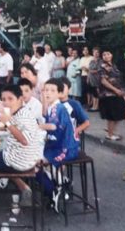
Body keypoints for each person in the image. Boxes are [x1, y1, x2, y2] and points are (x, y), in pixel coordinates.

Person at [0, 85, 46, 223]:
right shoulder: (21, 112)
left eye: (11, 99)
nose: (6, 102)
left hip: (19, 161)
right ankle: (23, 186)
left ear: (20, 99)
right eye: (3, 99)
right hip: (27, 158)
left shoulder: (23, 117)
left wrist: (8, 123)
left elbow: (24, 140)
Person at [38, 78, 78, 212]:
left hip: (65, 148)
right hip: (56, 146)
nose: (48, 93)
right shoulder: (51, 107)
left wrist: (37, 126)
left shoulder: (58, 108)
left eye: (52, 90)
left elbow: (53, 126)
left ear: (59, 93)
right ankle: (60, 183)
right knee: (36, 160)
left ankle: (57, 187)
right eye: (46, 90)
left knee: (40, 162)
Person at [98, 49, 125, 141]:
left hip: (117, 93)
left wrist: (121, 90)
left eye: (108, 54)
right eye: (104, 54)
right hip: (108, 94)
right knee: (112, 115)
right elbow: (103, 81)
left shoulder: (114, 65)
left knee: (120, 113)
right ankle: (110, 135)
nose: (106, 56)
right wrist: (115, 90)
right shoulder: (102, 66)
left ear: (111, 55)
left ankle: (111, 131)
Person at [87, 47, 102, 111]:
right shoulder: (91, 61)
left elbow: (99, 70)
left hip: (97, 79)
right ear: (93, 53)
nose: (96, 54)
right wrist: (88, 78)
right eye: (95, 52)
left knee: (97, 93)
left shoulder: (100, 61)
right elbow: (89, 70)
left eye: (97, 52)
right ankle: (93, 106)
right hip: (91, 79)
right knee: (93, 93)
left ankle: (96, 107)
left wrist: (91, 71)